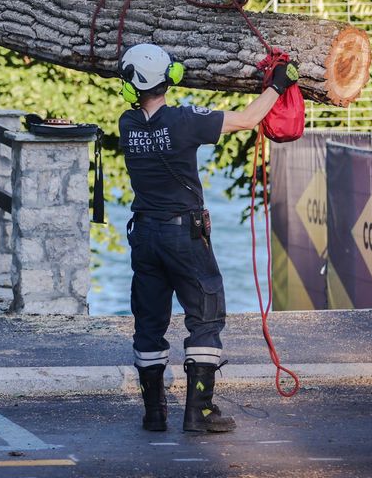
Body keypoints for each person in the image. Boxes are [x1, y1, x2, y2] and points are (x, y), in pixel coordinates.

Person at [116, 43, 299, 434]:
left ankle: (154, 414)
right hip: (183, 234)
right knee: (206, 316)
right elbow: (248, 119)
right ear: (171, 79)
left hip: (144, 235)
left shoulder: (126, 124)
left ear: (131, 87)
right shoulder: (185, 121)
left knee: (149, 323)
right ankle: (198, 411)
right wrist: (278, 84)